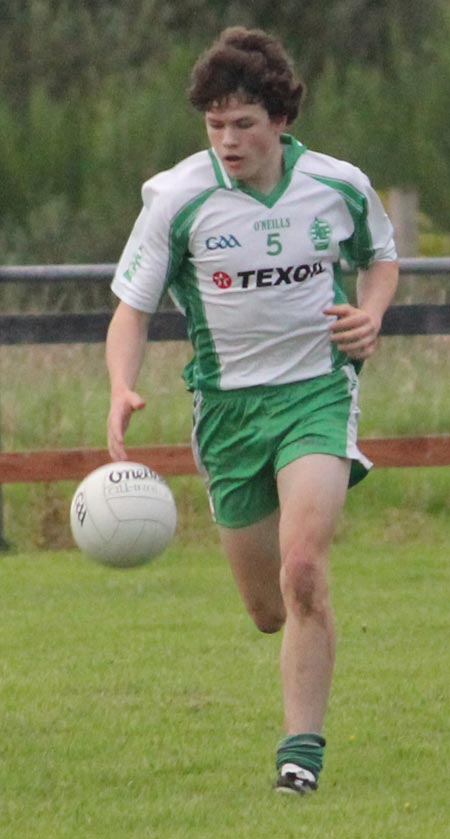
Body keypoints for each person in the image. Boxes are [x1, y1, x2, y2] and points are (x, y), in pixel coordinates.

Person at [106, 26, 399, 795]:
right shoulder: (178, 199)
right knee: (270, 609)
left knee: (304, 566)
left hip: (316, 391)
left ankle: (300, 755)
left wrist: (371, 313)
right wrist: (120, 386)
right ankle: (293, 637)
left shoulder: (337, 184)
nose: (227, 139)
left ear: (280, 120)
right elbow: (130, 311)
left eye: (243, 123)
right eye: (214, 124)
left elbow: (382, 257)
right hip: (228, 411)